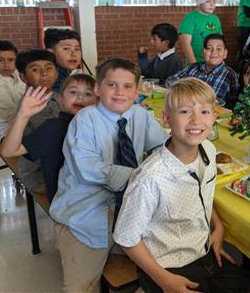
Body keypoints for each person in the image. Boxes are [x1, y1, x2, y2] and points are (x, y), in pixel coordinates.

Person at [114, 78, 250, 293]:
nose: (196, 120)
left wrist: (218, 226)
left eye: (205, 112)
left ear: (215, 117)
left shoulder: (208, 150)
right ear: (167, 119)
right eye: (185, 112)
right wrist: (165, 280)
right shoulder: (150, 178)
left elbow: (202, 191)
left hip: (203, 252)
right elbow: (126, 237)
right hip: (166, 267)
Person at [49, 58, 167, 293]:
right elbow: (87, 168)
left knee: (168, 263)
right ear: (97, 89)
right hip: (87, 214)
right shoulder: (85, 119)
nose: (119, 92)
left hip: (130, 210)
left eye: (127, 86)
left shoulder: (140, 116)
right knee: (80, 288)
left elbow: (163, 148)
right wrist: (139, 175)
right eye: (112, 85)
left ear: (136, 91)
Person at [0, 74, 96, 202]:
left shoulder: (98, 126)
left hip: (94, 199)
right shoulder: (53, 128)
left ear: (98, 100)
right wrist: (23, 115)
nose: (80, 97)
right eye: (73, 92)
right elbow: (9, 151)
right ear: (60, 99)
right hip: (67, 205)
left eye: (88, 94)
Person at [14, 49, 61, 192]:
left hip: (57, 166)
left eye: (49, 68)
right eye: (35, 69)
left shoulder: (57, 96)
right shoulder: (30, 105)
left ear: (57, 72)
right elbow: (55, 136)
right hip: (39, 175)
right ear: (23, 77)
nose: (44, 73)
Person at [166, 34, 239, 108]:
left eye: (218, 49)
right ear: (203, 52)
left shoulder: (230, 75)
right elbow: (170, 81)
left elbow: (235, 105)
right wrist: (187, 90)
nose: (214, 52)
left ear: (225, 54)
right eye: (209, 48)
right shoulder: (193, 68)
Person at [179, 0, 223, 64]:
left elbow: (220, 42)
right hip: (196, 62)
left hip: (213, 63)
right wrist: (194, 64)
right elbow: (185, 44)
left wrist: (220, 61)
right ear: (199, 3)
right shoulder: (190, 18)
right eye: (208, 1)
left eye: (214, 1)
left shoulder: (215, 19)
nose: (212, 4)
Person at [0, 40, 25, 141]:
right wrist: (4, 139)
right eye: (0, 60)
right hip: (4, 136)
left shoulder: (23, 77)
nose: (6, 64)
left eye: (11, 60)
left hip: (26, 132)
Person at [44, 28, 84, 92]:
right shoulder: (52, 79)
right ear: (51, 53)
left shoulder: (66, 73)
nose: (74, 54)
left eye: (77, 49)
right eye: (66, 49)